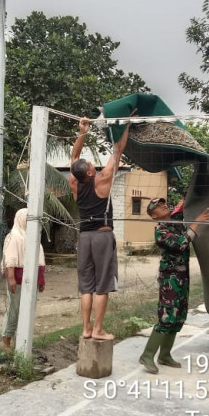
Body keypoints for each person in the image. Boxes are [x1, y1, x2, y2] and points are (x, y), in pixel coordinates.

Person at [69, 115, 133, 341]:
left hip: (84, 237)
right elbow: (117, 151)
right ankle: (97, 330)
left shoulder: (74, 182)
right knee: (102, 285)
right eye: (89, 165)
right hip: (102, 237)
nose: (91, 163)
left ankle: (86, 329)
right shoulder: (103, 179)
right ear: (89, 172)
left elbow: (74, 157)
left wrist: (82, 131)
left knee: (86, 287)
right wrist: (126, 125)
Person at [139, 198, 209, 373]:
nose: (163, 205)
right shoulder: (161, 232)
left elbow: (184, 203)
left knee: (178, 317)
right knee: (167, 317)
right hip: (169, 280)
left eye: (163, 203)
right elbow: (182, 243)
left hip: (182, 278)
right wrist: (197, 222)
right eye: (157, 206)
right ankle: (147, 355)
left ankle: (164, 355)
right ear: (154, 215)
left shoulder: (175, 223)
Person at [1, 208, 46, 349]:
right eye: (28, 220)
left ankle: (22, 342)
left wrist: (41, 279)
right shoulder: (13, 237)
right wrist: (11, 278)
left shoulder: (33, 238)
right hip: (18, 279)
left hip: (32, 279)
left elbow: (39, 259)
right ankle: (7, 339)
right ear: (20, 220)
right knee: (14, 310)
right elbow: (11, 259)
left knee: (28, 311)